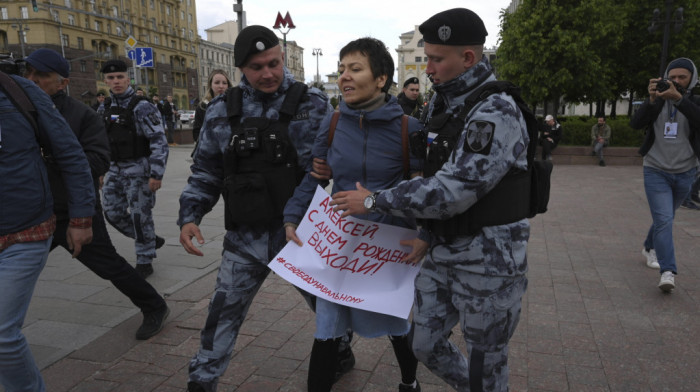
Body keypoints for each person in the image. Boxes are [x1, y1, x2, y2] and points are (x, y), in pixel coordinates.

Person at [330, 8, 530, 391]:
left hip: (488, 260)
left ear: (468, 58)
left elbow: (453, 190)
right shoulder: (443, 102)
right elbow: (429, 170)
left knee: (485, 363)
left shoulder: (495, 110)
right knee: (423, 344)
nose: (428, 68)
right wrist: (425, 230)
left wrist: (375, 202)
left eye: (435, 59)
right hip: (443, 248)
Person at [178, 25, 332, 392]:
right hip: (244, 238)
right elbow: (206, 171)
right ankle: (202, 381)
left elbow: (335, 161)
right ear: (240, 69)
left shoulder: (312, 103)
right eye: (257, 67)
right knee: (223, 314)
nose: (268, 73)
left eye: (274, 63)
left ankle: (338, 351)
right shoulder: (221, 110)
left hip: (299, 236)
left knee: (329, 311)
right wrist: (190, 216)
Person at [284, 37, 422, 392]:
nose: (345, 76)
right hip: (340, 245)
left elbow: (424, 194)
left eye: (355, 68)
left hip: (387, 249)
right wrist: (293, 216)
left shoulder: (410, 130)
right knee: (327, 327)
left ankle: (410, 382)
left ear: (381, 78)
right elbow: (314, 178)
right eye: (342, 68)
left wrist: (424, 233)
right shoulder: (332, 124)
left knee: (396, 326)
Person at [24, 49, 169, 339]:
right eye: (29, 73)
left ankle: (154, 303)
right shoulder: (21, 109)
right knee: (16, 269)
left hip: (75, 208)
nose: (32, 80)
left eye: (41, 75)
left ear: (62, 82)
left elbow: (151, 141)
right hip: (33, 210)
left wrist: (156, 173)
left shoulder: (83, 114)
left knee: (109, 261)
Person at [0, 67, 94, 392]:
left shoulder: (20, 92)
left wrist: (81, 218)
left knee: (1, 334)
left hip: (22, 233)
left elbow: (71, 153)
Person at [631, 57, 700, 291]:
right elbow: (635, 123)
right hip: (655, 170)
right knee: (664, 220)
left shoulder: (695, 101)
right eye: (673, 77)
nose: (677, 81)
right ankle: (668, 271)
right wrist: (651, 100)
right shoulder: (658, 101)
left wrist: (679, 99)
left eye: (683, 77)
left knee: (666, 217)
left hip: (686, 171)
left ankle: (649, 246)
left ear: (692, 79)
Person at [99, 59, 169, 279]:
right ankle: (150, 239)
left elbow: (159, 140)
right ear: (105, 81)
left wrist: (156, 173)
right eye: (111, 78)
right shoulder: (106, 106)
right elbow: (102, 140)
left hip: (139, 170)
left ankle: (145, 257)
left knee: (140, 217)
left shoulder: (142, 106)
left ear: (128, 79)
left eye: (120, 77)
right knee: (111, 212)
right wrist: (101, 171)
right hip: (115, 169)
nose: (116, 81)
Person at [192, 69, 232, 144]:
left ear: (228, 85)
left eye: (224, 83)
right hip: (210, 151)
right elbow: (196, 133)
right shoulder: (202, 107)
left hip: (230, 150)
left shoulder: (234, 104)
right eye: (217, 83)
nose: (221, 86)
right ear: (210, 85)